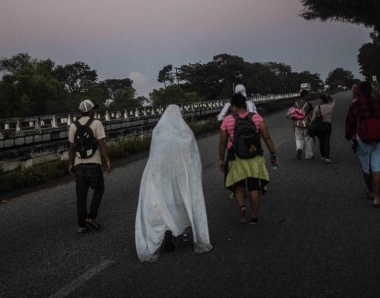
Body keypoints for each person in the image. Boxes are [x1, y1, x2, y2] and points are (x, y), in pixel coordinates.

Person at [135, 105, 212, 262]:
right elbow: (194, 157)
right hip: (183, 175)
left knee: (164, 204)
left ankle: (168, 232)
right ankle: (187, 231)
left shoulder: (158, 132)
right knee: (184, 203)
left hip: (160, 176)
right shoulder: (186, 133)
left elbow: (153, 156)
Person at [219, 93, 277, 224]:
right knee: (253, 186)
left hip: (235, 157)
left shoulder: (227, 120)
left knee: (238, 185)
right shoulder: (256, 117)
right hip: (254, 156)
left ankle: (242, 207)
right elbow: (266, 137)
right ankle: (255, 216)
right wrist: (273, 154)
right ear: (245, 105)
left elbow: (222, 142)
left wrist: (221, 159)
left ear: (233, 106)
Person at [345, 82, 380, 208]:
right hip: (378, 139)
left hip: (362, 140)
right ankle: (377, 198)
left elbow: (349, 124)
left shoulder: (355, 105)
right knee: (377, 167)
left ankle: (371, 192)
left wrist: (349, 137)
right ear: (371, 91)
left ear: (360, 91)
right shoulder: (378, 103)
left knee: (366, 167)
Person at [68, 99, 112, 233]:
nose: (95, 111)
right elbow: (101, 143)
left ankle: (81, 226)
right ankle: (91, 217)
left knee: (81, 196)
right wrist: (107, 159)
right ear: (90, 110)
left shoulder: (73, 126)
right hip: (94, 164)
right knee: (99, 189)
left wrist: (70, 163)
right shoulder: (96, 123)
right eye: (94, 109)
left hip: (79, 166)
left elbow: (71, 147)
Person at [310, 94, 335, 163]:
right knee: (326, 141)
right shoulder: (330, 106)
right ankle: (327, 157)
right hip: (328, 125)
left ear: (321, 100)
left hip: (319, 126)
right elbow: (333, 102)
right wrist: (331, 98)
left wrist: (311, 126)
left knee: (321, 141)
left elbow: (313, 118)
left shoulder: (317, 107)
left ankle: (323, 156)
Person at [290, 89, 314, 160]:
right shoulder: (308, 104)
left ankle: (299, 148)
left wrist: (293, 123)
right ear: (305, 95)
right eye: (308, 95)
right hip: (306, 124)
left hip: (297, 123)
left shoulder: (295, 103)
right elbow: (312, 114)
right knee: (308, 138)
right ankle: (308, 155)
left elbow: (292, 114)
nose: (309, 96)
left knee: (298, 138)